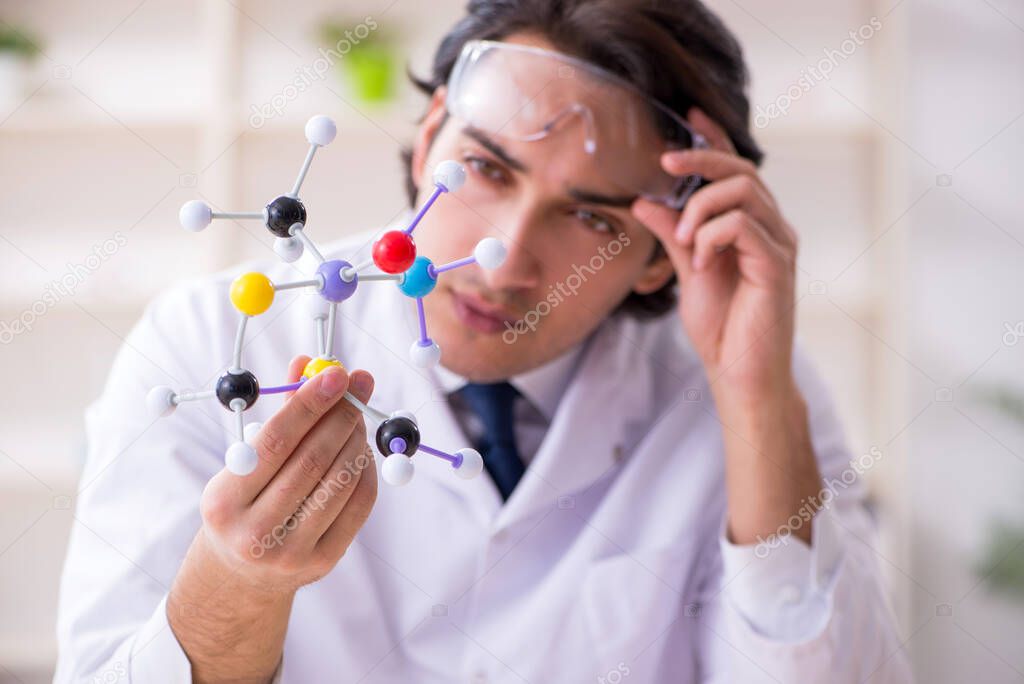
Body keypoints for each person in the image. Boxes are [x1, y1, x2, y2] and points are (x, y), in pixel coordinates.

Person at [55, 1, 912, 682]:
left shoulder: (753, 386)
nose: (507, 262)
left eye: (589, 215)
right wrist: (239, 588)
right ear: (429, 140)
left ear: (662, 253)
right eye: (489, 169)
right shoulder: (212, 344)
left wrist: (755, 399)